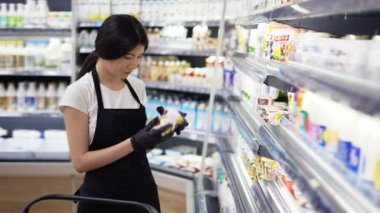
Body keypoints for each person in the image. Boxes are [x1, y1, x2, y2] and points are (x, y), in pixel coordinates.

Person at [59, 14, 187, 213]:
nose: (133, 65)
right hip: (101, 200)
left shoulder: (137, 87)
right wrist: (134, 142)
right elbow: (80, 162)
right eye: (128, 57)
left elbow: (137, 152)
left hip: (141, 195)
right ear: (106, 50)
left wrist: (157, 134)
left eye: (139, 57)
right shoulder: (79, 92)